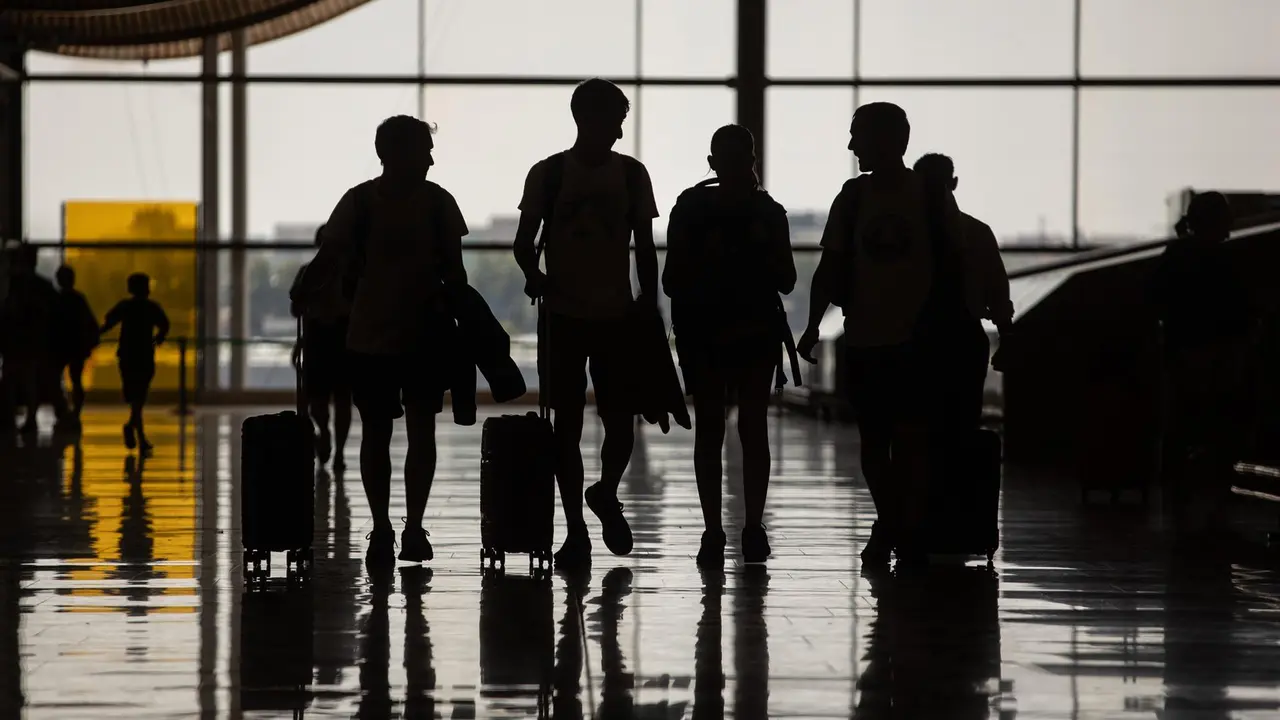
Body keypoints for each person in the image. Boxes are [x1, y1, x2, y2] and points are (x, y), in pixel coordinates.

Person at [291, 115, 469, 569]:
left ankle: (383, 529)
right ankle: (411, 526)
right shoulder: (438, 205)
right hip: (422, 336)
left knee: (377, 435)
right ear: (399, 153)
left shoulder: (359, 204)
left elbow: (328, 259)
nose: (431, 158)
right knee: (420, 433)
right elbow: (456, 274)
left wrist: (304, 290)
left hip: (370, 337)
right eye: (423, 150)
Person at [797, 102, 968, 567]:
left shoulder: (859, 199)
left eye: (858, 136)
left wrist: (814, 325)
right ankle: (900, 525)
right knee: (906, 442)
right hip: (912, 341)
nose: (852, 146)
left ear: (886, 140)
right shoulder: (924, 198)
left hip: (879, 339)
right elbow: (954, 264)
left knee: (878, 443)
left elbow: (830, 268)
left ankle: (891, 524)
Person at [513, 78, 660, 569]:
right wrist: (647, 302)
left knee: (596, 425)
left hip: (590, 316)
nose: (619, 132)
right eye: (616, 120)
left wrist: (537, 274)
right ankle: (582, 519)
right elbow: (641, 249)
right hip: (586, 316)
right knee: (595, 424)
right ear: (590, 120)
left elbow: (525, 243)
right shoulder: (558, 175)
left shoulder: (615, 175)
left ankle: (592, 507)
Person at [663, 124, 795, 566]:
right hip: (755, 334)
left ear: (712, 163)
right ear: (752, 161)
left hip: (705, 337)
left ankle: (712, 531)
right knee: (753, 430)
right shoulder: (768, 212)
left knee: (710, 431)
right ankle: (752, 528)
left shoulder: (691, 208)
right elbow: (788, 280)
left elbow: (670, 280)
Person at [1151, 191, 1257, 534]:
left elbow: (1156, 303)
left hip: (1183, 351)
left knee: (1181, 428)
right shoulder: (1232, 259)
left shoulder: (1176, 255)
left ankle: (1180, 496)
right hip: (1223, 352)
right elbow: (1246, 310)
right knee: (1221, 426)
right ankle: (1216, 495)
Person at [912, 153, 1014, 428]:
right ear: (954, 183)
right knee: (964, 422)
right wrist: (1006, 338)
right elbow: (998, 292)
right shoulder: (977, 232)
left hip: (914, 340)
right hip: (964, 337)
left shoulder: (907, 234)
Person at [290, 225, 353, 472]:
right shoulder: (309, 274)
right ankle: (326, 434)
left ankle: (337, 449)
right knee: (319, 400)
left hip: (337, 342)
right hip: (323, 341)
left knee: (340, 400)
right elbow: (296, 307)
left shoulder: (349, 276)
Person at [100, 272, 170, 452]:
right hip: (144, 356)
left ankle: (136, 430)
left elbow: (108, 323)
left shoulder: (125, 307)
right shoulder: (151, 307)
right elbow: (164, 325)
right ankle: (138, 434)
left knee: (135, 398)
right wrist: (158, 339)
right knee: (139, 397)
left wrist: (94, 335)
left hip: (128, 356)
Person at [1, 245, 62, 434]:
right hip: (31, 343)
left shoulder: (13, 286)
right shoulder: (41, 286)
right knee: (28, 382)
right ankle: (29, 417)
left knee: (13, 380)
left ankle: (11, 417)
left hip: (17, 343)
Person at [52, 265, 100, 429]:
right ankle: (75, 412)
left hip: (60, 347)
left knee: (54, 380)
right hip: (76, 347)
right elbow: (90, 323)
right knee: (76, 380)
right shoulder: (78, 299)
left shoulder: (56, 300)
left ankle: (63, 410)